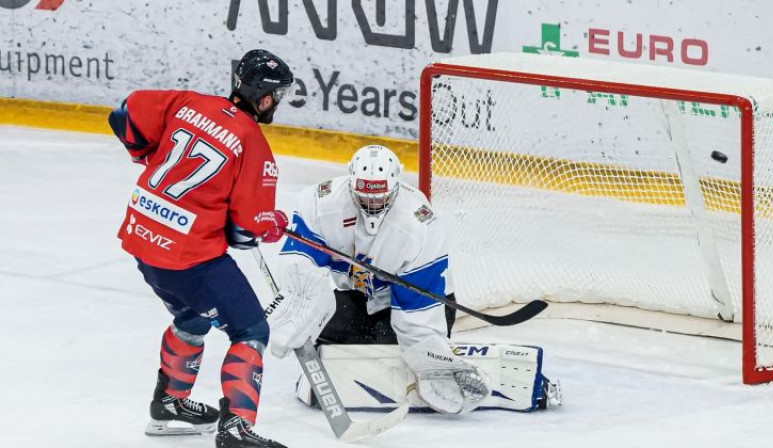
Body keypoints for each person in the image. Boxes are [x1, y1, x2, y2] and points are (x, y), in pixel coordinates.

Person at [109, 49, 293, 448]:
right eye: (277, 95)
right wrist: (272, 225)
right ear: (264, 97)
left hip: (143, 238)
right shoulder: (253, 144)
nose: (277, 103)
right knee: (250, 329)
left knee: (193, 320)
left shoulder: (189, 102)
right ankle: (235, 429)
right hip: (187, 258)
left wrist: (145, 156)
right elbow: (245, 233)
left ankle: (170, 403)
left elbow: (124, 114)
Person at [268, 144, 528, 415]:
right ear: (351, 184)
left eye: (380, 198)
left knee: (391, 352)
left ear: (396, 187)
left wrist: (428, 360)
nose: (372, 206)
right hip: (365, 299)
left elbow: (418, 307)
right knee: (321, 325)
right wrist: (302, 303)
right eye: (365, 197)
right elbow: (302, 263)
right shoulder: (320, 203)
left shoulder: (420, 224)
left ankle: (435, 361)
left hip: (426, 306)